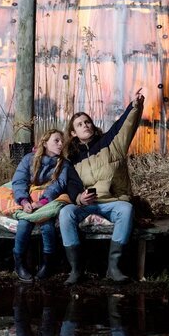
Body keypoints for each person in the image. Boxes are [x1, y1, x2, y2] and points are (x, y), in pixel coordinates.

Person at [59, 90, 145, 285]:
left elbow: (124, 126)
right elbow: (71, 185)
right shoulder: (71, 159)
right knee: (66, 213)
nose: (85, 126)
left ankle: (113, 267)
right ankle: (75, 269)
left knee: (127, 209)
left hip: (112, 202)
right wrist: (79, 198)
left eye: (87, 122)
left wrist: (134, 106)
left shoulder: (110, 143)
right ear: (73, 133)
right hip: (87, 205)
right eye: (79, 124)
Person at [11, 129, 83, 283]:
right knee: (23, 224)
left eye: (62, 141)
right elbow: (19, 181)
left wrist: (42, 202)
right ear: (45, 143)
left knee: (47, 225)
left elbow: (59, 184)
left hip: (49, 201)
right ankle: (19, 263)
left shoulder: (63, 164)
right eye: (56, 140)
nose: (61, 144)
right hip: (30, 197)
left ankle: (47, 264)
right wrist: (24, 201)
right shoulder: (29, 159)